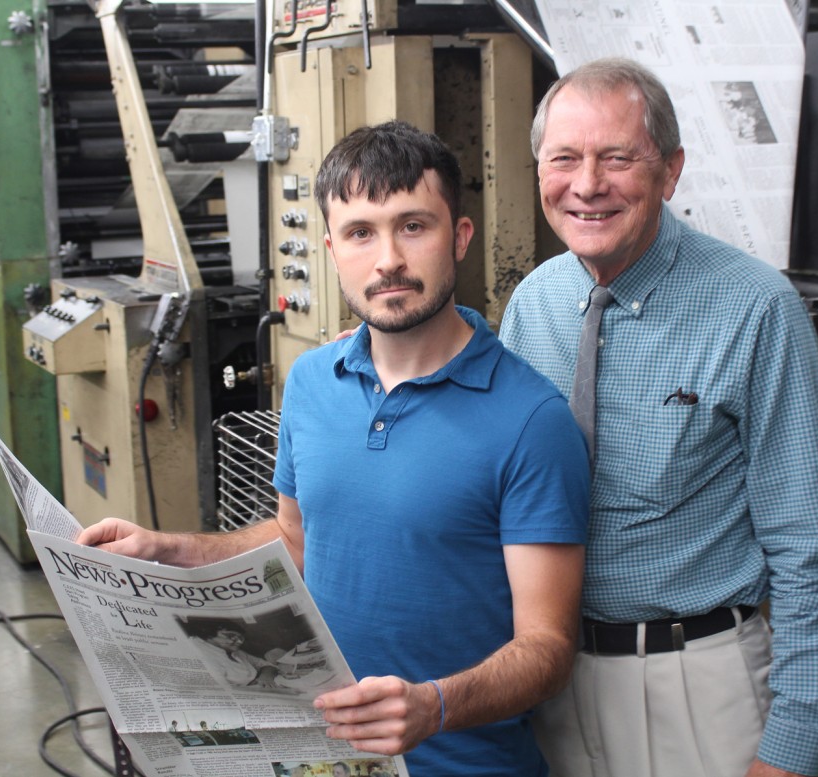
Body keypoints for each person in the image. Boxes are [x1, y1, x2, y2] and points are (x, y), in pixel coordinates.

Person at [79, 120, 590, 775]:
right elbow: (296, 541)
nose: (388, 261)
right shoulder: (314, 382)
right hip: (323, 759)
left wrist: (433, 706)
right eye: (360, 233)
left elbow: (547, 646)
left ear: (459, 237)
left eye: (413, 226)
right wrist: (169, 549)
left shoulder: (530, 419)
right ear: (330, 247)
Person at [499, 57, 818, 777]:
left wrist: (790, 747)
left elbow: (809, 554)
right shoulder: (531, 305)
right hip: (551, 682)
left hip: (701, 686)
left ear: (671, 170)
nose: (588, 184)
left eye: (618, 158)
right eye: (564, 158)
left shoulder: (756, 308)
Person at [180, 620, 279, 689]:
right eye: (231, 636)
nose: (239, 642)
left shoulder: (234, 651)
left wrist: (265, 676)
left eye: (241, 638)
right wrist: (252, 685)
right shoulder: (198, 653)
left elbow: (266, 665)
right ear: (208, 634)